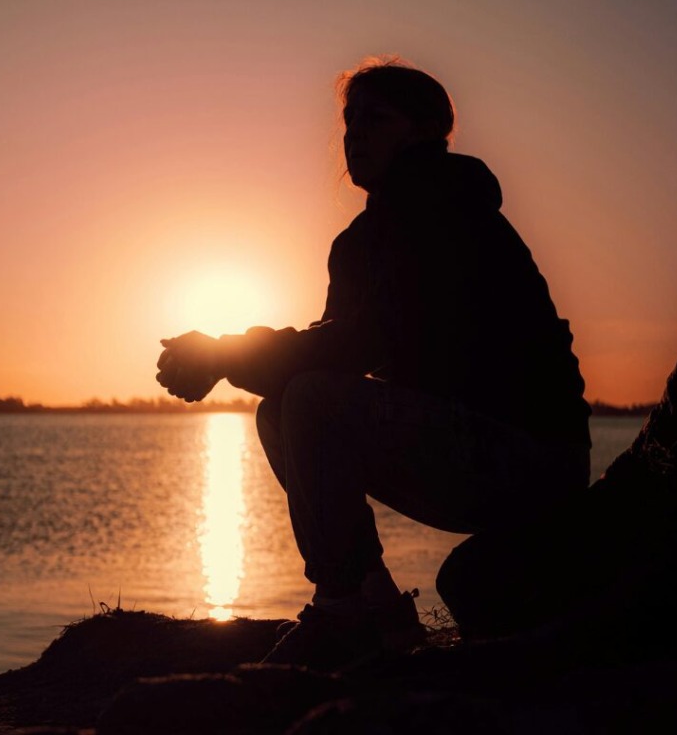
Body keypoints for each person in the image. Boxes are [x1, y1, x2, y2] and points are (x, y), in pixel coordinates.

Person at [156, 56, 592, 670]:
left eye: (374, 118)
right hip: (462, 449)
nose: (353, 132)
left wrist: (225, 354)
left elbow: (366, 342)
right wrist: (220, 357)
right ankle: (371, 604)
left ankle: (342, 615)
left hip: (531, 458)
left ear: (423, 131)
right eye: (348, 118)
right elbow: (334, 347)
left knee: (307, 397)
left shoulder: (447, 208)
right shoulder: (362, 240)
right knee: (281, 407)